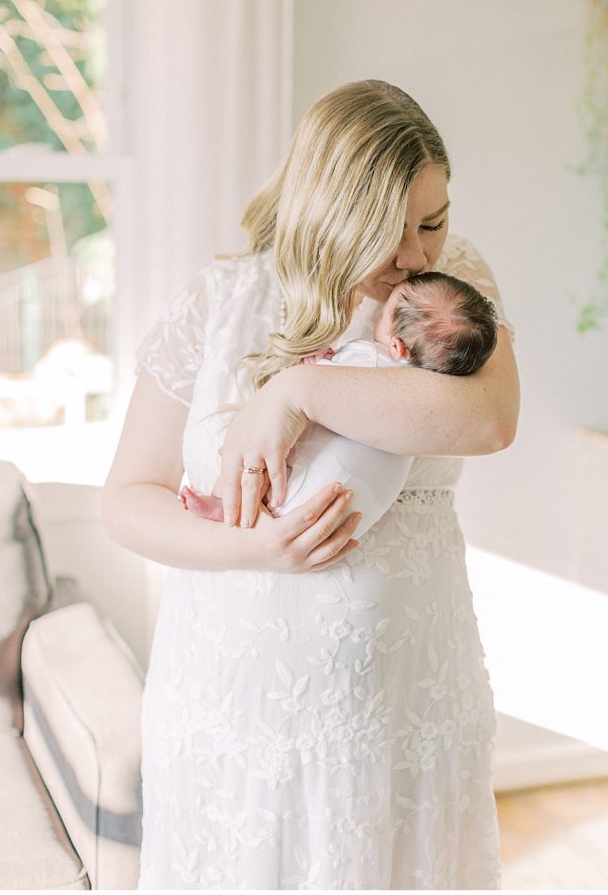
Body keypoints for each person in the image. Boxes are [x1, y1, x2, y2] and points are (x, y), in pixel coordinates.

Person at [101, 79, 519, 890]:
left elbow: (489, 419)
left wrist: (296, 393)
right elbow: (126, 500)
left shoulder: (449, 288)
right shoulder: (221, 302)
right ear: (327, 213)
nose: (415, 255)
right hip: (234, 719)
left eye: (431, 221)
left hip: (406, 715)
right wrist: (253, 547)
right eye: (386, 233)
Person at [180, 270, 499, 538]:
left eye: (386, 310)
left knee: (254, 447)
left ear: (397, 347)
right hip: (348, 515)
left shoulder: (372, 356)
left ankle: (223, 503)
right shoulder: (425, 398)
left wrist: (315, 367)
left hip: (298, 492)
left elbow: (327, 384)